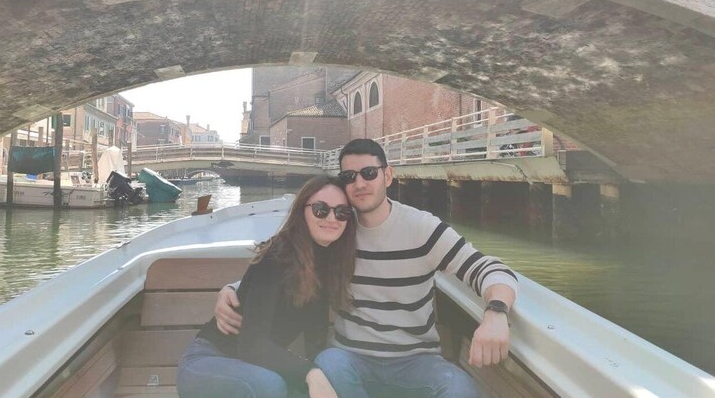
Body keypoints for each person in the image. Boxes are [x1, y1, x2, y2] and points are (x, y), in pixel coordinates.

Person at [215, 139, 518, 397]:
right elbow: (288, 260)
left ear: (388, 176)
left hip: (416, 361)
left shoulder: (422, 229)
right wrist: (234, 288)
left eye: (369, 173)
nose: (359, 183)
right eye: (349, 176)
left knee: (460, 389)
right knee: (329, 365)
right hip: (349, 358)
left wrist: (495, 312)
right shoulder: (337, 229)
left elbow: (489, 269)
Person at [177, 175, 357, 398]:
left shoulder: (329, 262)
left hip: (256, 367)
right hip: (208, 363)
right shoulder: (277, 256)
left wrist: (320, 377)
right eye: (321, 209)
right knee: (271, 385)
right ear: (303, 211)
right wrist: (311, 373)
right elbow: (251, 345)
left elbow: (315, 339)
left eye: (342, 212)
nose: (332, 218)